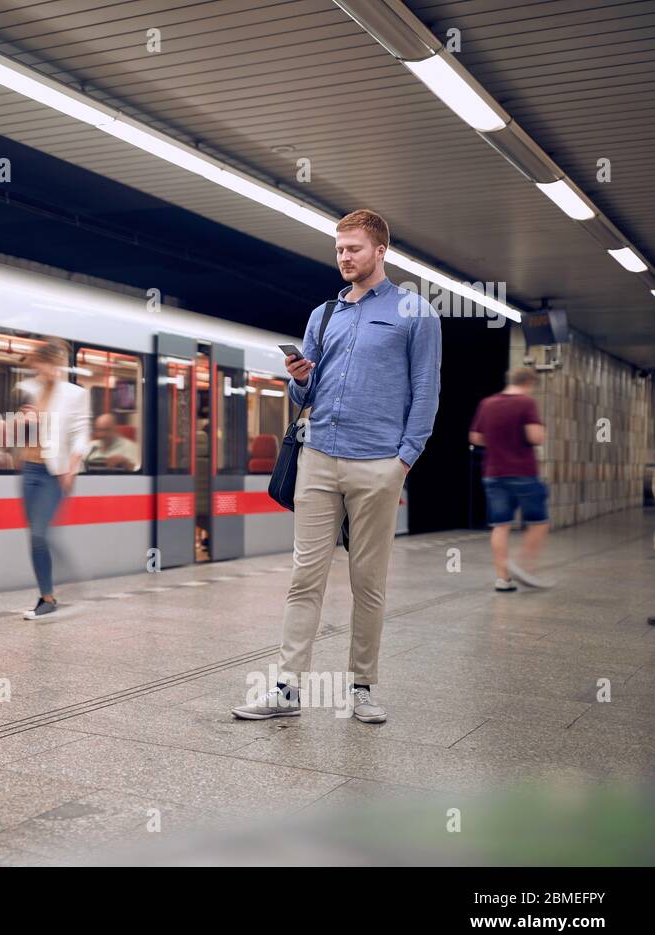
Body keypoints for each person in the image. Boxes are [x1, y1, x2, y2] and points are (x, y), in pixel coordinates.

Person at [232, 209, 441, 724]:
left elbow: (426, 389)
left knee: (368, 582)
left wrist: (404, 461)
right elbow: (306, 391)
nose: (344, 257)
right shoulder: (323, 314)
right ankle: (285, 689)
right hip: (318, 456)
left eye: (353, 249)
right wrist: (298, 377)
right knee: (305, 578)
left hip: (378, 464)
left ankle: (362, 688)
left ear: (380, 252)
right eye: (339, 249)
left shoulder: (416, 312)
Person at [15, 337, 91, 620]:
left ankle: (58, 584)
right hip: (29, 469)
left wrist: (72, 467)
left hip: (54, 473)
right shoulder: (28, 389)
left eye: (45, 366)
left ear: (55, 365)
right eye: (38, 366)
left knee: (39, 533)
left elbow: (81, 434)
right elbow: (18, 427)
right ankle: (46, 597)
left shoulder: (74, 394)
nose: (41, 372)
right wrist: (19, 423)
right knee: (34, 537)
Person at [470, 367, 550, 590]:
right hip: (523, 471)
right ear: (529, 383)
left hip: (493, 472)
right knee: (539, 522)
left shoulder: (487, 403)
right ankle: (522, 564)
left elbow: (475, 436)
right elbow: (535, 436)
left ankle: (502, 578)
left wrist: (497, 444)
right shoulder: (526, 403)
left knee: (500, 524)